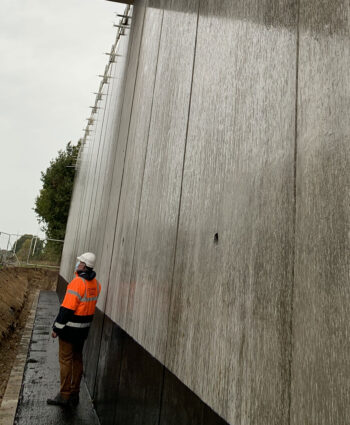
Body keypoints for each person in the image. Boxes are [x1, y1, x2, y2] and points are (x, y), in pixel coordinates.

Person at [47, 252, 101, 407]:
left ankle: (64, 395)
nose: (77, 264)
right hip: (82, 331)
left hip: (69, 330)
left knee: (65, 360)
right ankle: (74, 394)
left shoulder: (77, 283)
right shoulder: (96, 285)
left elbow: (67, 309)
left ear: (83, 265)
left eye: (79, 262)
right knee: (77, 360)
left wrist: (56, 327)